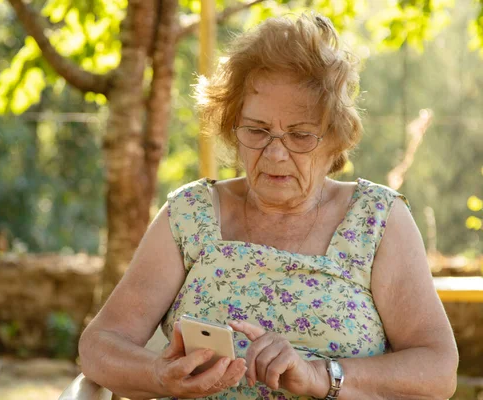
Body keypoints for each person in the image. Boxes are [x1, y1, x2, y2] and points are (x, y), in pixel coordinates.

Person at [78, 13, 458, 400]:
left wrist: (319, 375)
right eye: (257, 131)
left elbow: (437, 371)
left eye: (300, 135)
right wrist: (159, 375)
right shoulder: (192, 214)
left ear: (336, 140)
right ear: (232, 127)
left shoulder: (377, 219)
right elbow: (99, 346)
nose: (275, 153)